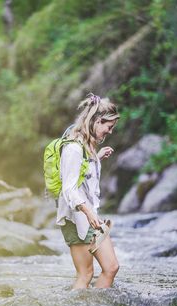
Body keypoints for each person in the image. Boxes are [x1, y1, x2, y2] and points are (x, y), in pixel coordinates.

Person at [56, 92, 120, 289]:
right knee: (85, 275)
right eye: (108, 128)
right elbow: (69, 188)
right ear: (97, 121)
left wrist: (97, 158)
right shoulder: (74, 148)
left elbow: (82, 174)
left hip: (87, 215)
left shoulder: (86, 147)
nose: (109, 132)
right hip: (76, 217)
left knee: (111, 268)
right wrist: (88, 211)